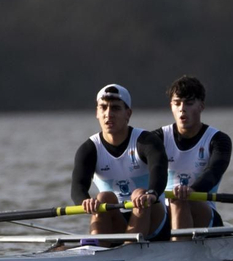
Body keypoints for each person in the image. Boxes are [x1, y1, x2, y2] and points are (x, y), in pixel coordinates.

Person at [69, 83, 171, 240]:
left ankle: (128, 249)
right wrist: (84, 201)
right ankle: (97, 249)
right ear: (97, 112)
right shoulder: (89, 149)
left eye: (115, 108)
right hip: (116, 218)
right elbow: (77, 187)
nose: (108, 114)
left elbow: (159, 170)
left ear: (128, 114)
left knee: (139, 193)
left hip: (153, 218)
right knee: (103, 198)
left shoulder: (146, 141)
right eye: (103, 108)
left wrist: (151, 194)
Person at [161, 75, 230, 231]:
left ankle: (179, 250)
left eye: (189, 103)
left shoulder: (218, 140)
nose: (182, 109)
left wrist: (192, 190)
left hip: (204, 215)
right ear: (171, 106)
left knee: (179, 199)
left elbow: (213, 173)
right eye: (177, 103)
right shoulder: (157, 138)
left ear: (201, 106)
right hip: (165, 214)